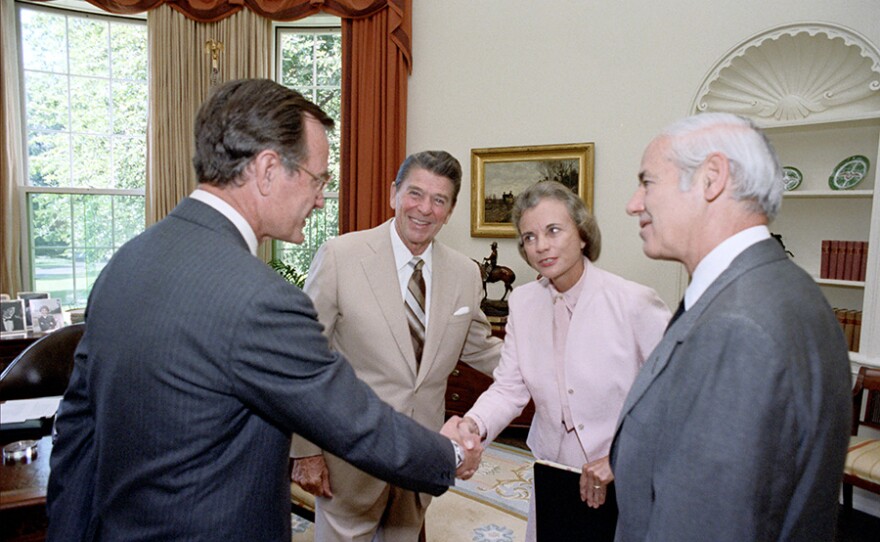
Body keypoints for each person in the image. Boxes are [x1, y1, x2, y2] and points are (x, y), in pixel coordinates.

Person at [46, 79, 480, 542]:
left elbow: (76, 429)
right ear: (269, 169)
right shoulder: (260, 299)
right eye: (319, 179)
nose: (319, 199)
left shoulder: (128, 260)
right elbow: (353, 422)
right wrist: (448, 453)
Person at [611, 112, 852, 541]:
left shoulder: (737, 327)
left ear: (711, 178)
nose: (634, 203)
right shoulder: (788, 288)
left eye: (647, 182)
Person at [290, 150, 503, 541]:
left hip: (421, 453)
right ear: (394, 194)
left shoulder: (465, 273)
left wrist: (547, 368)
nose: (424, 209)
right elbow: (303, 358)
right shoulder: (340, 256)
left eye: (439, 200)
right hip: (349, 455)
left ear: (450, 210)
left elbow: (481, 348)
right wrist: (304, 450)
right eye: (415, 194)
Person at [461, 180, 670, 541]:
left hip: (621, 474)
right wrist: (473, 424)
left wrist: (620, 460)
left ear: (583, 234)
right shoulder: (524, 303)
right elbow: (510, 388)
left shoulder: (633, 302)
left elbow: (676, 397)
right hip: (552, 469)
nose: (540, 245)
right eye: (529, 237)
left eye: (553, 230)